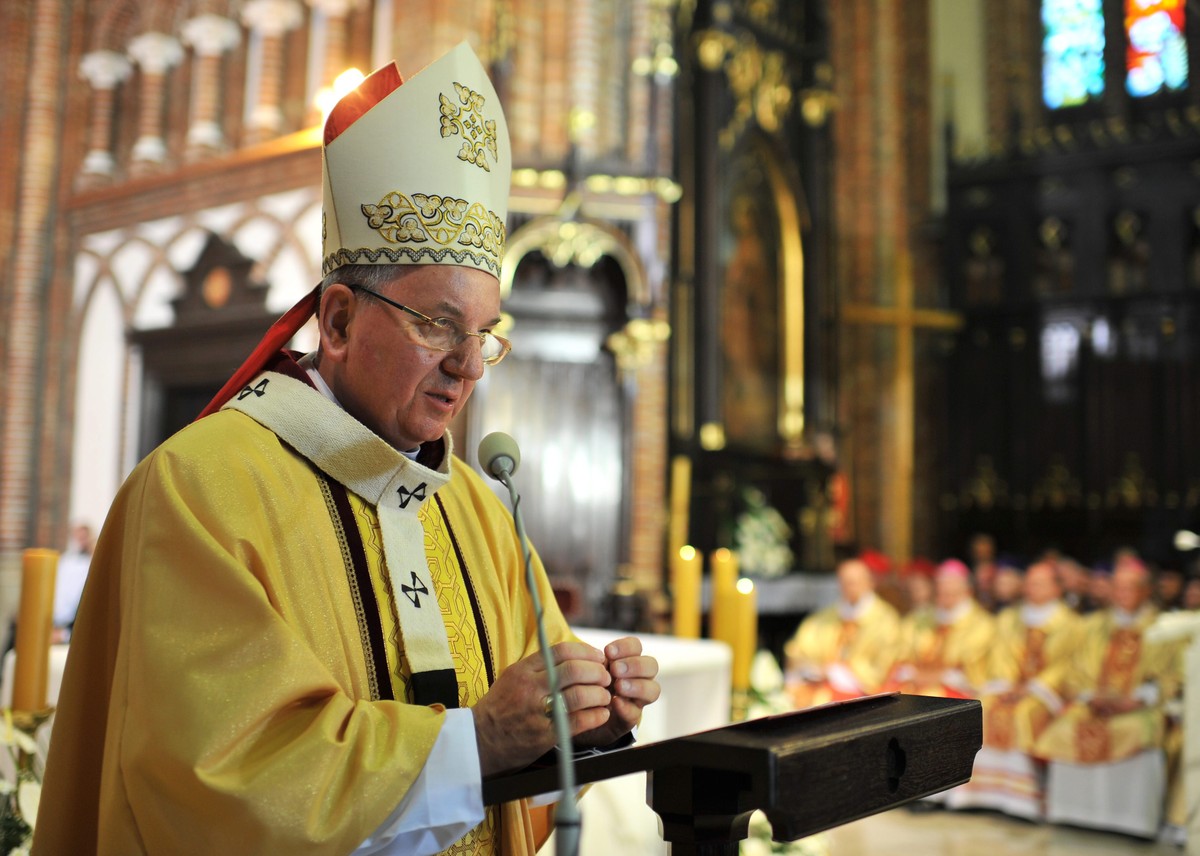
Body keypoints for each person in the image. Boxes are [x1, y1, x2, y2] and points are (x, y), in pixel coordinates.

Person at [35, 44, 660, 856]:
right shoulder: (200, 489)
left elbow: (525, 758)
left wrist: (583, 713)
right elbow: (213, 788)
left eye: (485, 335)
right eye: (437, 324)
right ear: (335, 321)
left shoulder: (479, 509)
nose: (468, 365)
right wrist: (474, 743)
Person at [1032, 560, 1182, 839]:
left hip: (1139, 708)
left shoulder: (1165, 628)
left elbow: (1172, 677)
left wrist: (1139, 698)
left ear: (1146, 591)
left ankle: (1133, 821)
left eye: (1130, 588)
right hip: (1094, 703)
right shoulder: (1091, 626)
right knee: (1063, 727)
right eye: (1118, 587)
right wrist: (1092, 696)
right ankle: (1072, 811)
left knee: (1138, 730)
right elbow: (1075, 670)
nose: (1122, 593)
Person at [945, 561, 1081, 818]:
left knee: (1023, 714)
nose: (1032, 589)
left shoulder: (1071, 624)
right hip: (1006, 687)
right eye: (1029, 583)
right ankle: (977, 794)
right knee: (981, 709)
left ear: (1056, 588)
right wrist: (1006, 685)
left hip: (1043, 694)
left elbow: (1067, 665)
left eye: (1039, 584)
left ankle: (1023, 801)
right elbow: (1000, 657)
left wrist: (1034, 688)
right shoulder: (1009, 619)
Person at [783, 556, 901, 709]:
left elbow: (885, 667)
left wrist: (838, 671)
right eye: (844, 582)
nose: (849, 587)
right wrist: (814, 669)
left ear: (869, 582)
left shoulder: (886, 620)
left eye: (854, 582)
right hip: (820, 686)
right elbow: (798, 651)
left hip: (863, 696)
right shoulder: (824, 618)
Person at [881, 559, 995, 699]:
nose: (944, 597)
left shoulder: (982, 624)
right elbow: (901, 651)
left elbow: (971, 669)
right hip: (913, 683)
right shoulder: (919, 618)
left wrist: (938, 677)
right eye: (941, 592)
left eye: (951, 593)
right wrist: (912, 672)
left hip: (956, 690)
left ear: (966, 591)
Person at [52, 521, 94, 642]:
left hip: (72, 626)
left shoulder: (90, 562)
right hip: (56, 621)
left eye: (84, 536)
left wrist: (65, 634)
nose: (81, 540)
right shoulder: (66, 561)